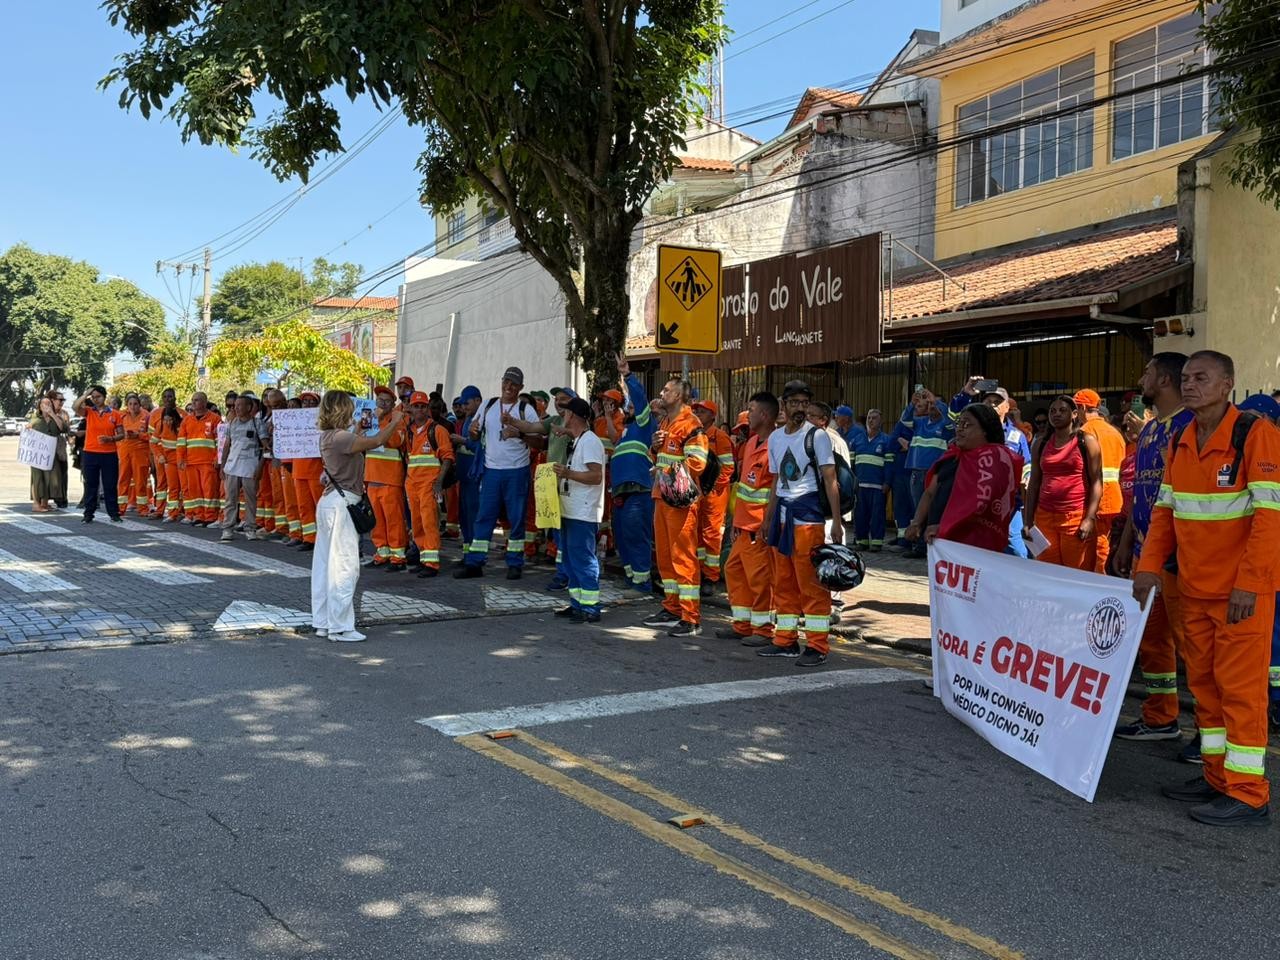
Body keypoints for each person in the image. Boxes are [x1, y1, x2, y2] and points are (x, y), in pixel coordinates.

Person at [1136, 351, 1280, 827]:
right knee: (1205, 688)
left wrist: (1250, 584)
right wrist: (1149, 568)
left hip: (1240, 594)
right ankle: (1218, 777)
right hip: (1195, 588)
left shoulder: (1255, 434)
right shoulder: (1181, 438)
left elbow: (1270, 520)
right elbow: (1164, 513)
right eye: (1186, 378)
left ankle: (1248, 793)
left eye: (1202, 377)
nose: (1190, 384)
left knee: (1241, 692)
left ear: (1227, 385)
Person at [1111, 354, 1193, 745]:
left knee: (1191, 644)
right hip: (1145, 553)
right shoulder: (1148, 432)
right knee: (1152, 639)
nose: (1141, 378)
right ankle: (1161, 717)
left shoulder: (1189, 425)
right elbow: (1143, 495)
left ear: (1163, 379)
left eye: (1147, 372)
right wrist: (1127, 543)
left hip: (1179, 557)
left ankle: (1211, 732)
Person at [757, 380, 843, 667]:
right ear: (784, 405)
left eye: (804, 403)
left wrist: (837, 522)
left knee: (811, 584)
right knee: (783, 582)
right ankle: (786, 640)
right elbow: (776, 481)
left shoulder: (817, 437)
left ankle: (817, 645)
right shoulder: (775, 439)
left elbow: (830, 479)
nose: (800, 408)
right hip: (782, 520)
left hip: (808, 520)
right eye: (794, 402)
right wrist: (768, 518)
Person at [310, 391, 404, 643]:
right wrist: (395, 421)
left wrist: (358, 429)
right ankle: (340, 627)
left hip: (330, 502)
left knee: (324, 567)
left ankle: (323, 622)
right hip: (343, 504)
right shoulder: (341, 437)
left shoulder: (329, 436)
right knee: (344, 566)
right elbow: (376, 441)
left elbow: (353, 444)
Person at [456, 367, 542, 579]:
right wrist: (473, 432)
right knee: (484, 516)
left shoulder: (526, 409)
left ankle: (515, 563)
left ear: (521, 387)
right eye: (506, 381)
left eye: (514, 384)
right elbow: (475, 435)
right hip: (491, 471)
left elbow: (540, 442)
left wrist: (519, 434)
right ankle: (475, 563)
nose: (509, 387)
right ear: (501, 381)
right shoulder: (488, 405)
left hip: (517, 471)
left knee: (516, 518)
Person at [904, 404, 1021, 553]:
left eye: (967, 425)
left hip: (974, 544)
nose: (959, 429)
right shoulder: (950, 457)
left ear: (985, 430)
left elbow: (982, 505)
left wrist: (945, 527)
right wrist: (916, 523)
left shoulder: (995, 460)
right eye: (959, 423)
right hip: (939, 541)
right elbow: (929, 493)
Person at [641, 377, 708, 637]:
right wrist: (654, 447)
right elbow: (659, 457)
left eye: (666, 390)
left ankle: (691, 618)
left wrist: (666, 471)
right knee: (666, 556)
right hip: (663, 496)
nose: (661, 392)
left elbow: (697, 463)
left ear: (679, 395)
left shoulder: (691, 424)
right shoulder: (666, 422)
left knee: (683, 556)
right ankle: (672, 607)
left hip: (680, 499)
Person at [718, 391, 778, 646]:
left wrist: (767, 523)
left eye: (751, 410)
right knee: (734, 571)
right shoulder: (752, 443)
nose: (747, 414)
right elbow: (744, 487)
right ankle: (742, 625)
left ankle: (763, 630)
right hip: (743, 525)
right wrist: (736, 521)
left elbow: (775, 489)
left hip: (758, 528)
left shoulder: (775, 444)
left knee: (759, 579)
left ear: (764, 414)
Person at [1023, 395, 1102, 570]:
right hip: (1044, 519)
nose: (1056, 414)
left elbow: (1097, 481)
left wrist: (1089, 518)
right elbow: (1034, 483)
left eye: (1062, 410)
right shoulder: (1040, 443)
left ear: (1074, 414)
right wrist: (1028, 521)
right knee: (1048, 573)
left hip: (1075, 517)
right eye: (1052, 411)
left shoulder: (1087, 441)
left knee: (1077, 575)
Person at [955, 383, 1033, 556]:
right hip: (978, 501)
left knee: (1015, 548)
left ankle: (1020, 573)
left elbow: (1027, 464)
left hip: (1009, 503)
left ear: (1007, 407)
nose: (992, 404)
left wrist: (1026, 480)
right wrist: (965, 394)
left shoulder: (1017, 436)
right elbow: (954, 419)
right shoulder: (972, 432)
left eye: (997, 402)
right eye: (988, 401)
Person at [551, 397, 607, 623]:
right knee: (571, 559)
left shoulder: (590, 441)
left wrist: (568, 474)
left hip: (583, 513)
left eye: (565, 412)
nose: (563, 415)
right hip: (571, 510)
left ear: (572, 415)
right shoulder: (579, 440)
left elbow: (596, 476)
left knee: (582, 559)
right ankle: (577, 604)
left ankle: (591, 607)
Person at [897, 384, 964, 557]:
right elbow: (904, 421)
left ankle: (928, 547)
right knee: (918, 510)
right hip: (916, 472)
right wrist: (912, 404)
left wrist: (936, 402)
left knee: (933, 510)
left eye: (934, 404)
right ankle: (919, 547)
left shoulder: (946, 425)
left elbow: (949, 420)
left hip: (934, 474)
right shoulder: (920, 422)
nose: (931, 407)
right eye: (929, 404)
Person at [610, 355, 656, 594]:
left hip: (638, 490)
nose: (628, 407)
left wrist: (627, 375)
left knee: (637, 536)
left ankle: (642, 583)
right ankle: (632, 578)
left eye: (631, 405)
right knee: (622, 536)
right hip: (620, 492)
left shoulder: (645, 426)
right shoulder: (625, 433)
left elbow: (639, 398)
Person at [1074, 388, 1127, 573]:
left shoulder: (1084, 432)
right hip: (1116, 498)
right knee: (1107, 544)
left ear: (1081, 408)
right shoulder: (1115, 433)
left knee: (1097, 549)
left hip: (1096, 501)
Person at [405, 391, 455, 577]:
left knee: (429, 522)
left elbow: (448, 457)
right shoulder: (409, 432)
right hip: (413, 485)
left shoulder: (437, 430)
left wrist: (439, 482)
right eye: (416, 406)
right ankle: (424, 558)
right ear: (410, 409)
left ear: (427, 409)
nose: (420, 409)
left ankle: (432, 564)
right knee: (417, 524)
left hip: (429, 484)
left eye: (423, 406)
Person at [362, 385, 410, 570]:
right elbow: (358, 438)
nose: (382, 404)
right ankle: (382, 553)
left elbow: (396, 441)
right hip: (372, 477)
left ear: (392, 404)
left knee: (393, 519)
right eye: (379, 400)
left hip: (390, 479)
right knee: (377, 520)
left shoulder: (398, 419)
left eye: (387, 401)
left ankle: (398, 557)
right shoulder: (368, 417)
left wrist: (382, 422)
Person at [692, 399, 734, 595]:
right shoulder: (696, 435)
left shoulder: (720, 437)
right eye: (697, 411)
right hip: (698, 491)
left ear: (712, 416)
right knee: (698, 532)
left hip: (714, 494)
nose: (698, 414)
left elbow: (728, 468)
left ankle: (711, 576)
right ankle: (701, 572)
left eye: (702, 411)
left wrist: (711, 488)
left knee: (712, 534)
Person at [72, 384, 124, 524]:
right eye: (93, 397)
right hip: (90, 453)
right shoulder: (89, 411)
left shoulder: (114, 414)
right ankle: (88, 513)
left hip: (109, 454)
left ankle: (114, 513)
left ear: (104, 397)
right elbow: (75, 407)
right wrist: (86, 395)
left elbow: (121, 434)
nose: (96, 399)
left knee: (110, 485)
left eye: (98, 396)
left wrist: (110, 439)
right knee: (91, 484)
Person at [217, 392, 264, 542]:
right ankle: (227, 529)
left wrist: (260, 467)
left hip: (250, 467)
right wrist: (222, 465)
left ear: (249, 407)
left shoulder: (257, 424)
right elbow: (226, 445)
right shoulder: (232, 423)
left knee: (250, 500)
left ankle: (250, 528)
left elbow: (265, 447)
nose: (236, 408)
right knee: (230, 499)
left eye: (239, 405)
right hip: (232, 467)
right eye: (235, 405)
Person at [175, 391, 223, 527]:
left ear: (205, 402)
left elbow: (220, 441)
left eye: (197, 400)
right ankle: (199, 515)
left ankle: (210, 516)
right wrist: (181, 459)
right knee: (195, 491)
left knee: (209, 490)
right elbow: (181, 442)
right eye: (193, 400)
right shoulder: (187, 420)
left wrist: (217, 458)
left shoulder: (215, 419)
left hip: (208, 462)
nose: (194, 403)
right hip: (191, 462)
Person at [850, 408, 891, 551]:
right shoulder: (857, 440)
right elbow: (851, 464)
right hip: (860, 485)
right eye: (869, 418)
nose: (871, 420)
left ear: (881, 421)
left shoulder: (886, 440)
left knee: (877, 515)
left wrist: (887, 482)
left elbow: (889, 464)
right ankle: (862, 541)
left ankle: (877, 542)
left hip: (878, 486)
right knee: (860, 515)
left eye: (874, 418)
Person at [291, 391, 325, 551]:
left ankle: (323, 538)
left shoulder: (323, 422)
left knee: (320, 506)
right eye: (305, 402)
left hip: (316, 471)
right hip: (299, 470)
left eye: (312, 402)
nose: (309, 404)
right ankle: (309, 538)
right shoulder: (292, 421)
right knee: (304, 506)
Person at [454, 385, 484, 554]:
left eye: (467, 403)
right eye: (462, 404)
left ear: (478, 401)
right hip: (464, 476)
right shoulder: (468, 419)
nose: (464, 407)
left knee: (473, 512)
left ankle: (475, 552)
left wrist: (463, 440)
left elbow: (480, 446)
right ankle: (467, 550)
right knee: (464, 513)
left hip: (474, 475)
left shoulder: (481, 419)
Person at [28, 392, 70, 512]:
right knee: (37, 478)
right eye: (43, 404)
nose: (46, 406)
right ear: (40, 406)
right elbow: (28, 430)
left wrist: (52, 414)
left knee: (49, 479)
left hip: (51, 453)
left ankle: (44, 503)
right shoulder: (35, 419)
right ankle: (36, 504)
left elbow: (63, 428)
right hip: (37, 454)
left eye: (48, 404)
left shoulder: (56, 418)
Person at [118, 394, 152, 517]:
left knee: (140, 481)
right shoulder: (121, 416)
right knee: (123, 480)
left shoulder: (147, 416)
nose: (133, 406)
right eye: (130, 404)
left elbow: (152, 436)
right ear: (127, 405)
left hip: (140, 453)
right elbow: (116, 433)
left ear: (140, 405)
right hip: (125, 451)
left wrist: (138, 435)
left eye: (135, 404)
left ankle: (142, 508)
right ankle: (121, 508)